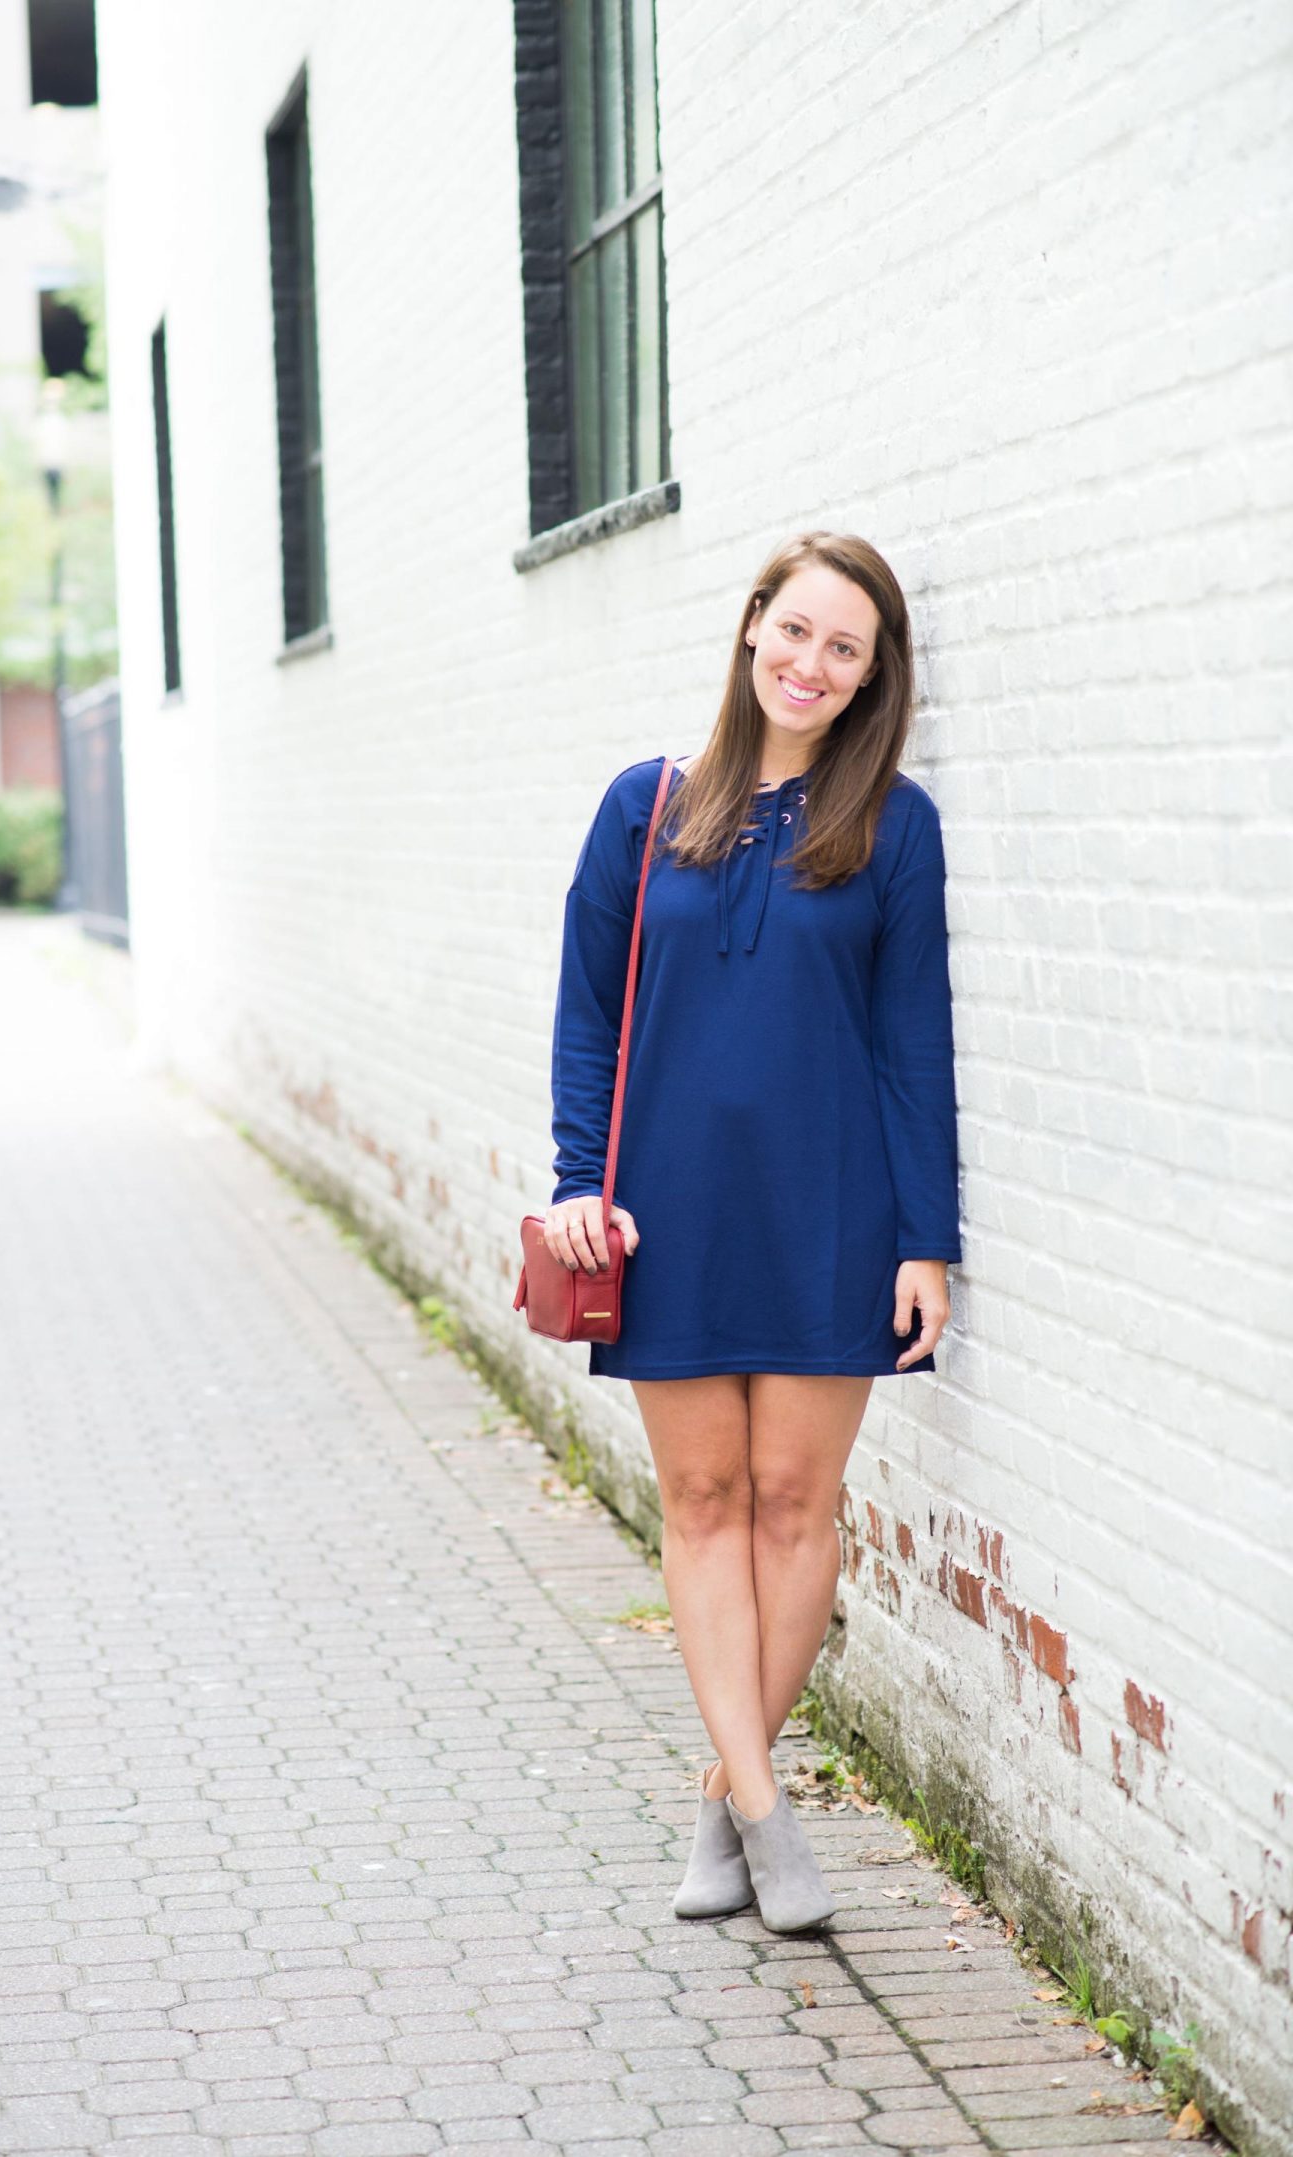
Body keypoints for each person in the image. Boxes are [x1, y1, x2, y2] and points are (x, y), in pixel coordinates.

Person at [543, 530, 961, 1933]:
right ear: (749, 630)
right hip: (664, 1213)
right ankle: (767, 1811)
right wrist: (571, 1180)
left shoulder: (894, 826)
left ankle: (727, 1795)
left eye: (846, 649)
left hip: (830, 1209)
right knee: (703, 1505)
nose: (811, 664)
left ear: (870, 678)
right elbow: (588, 1010)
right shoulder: (640, 806)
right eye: (796, 631)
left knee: (795, 1508)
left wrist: (926, 1235)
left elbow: (914, 1042)